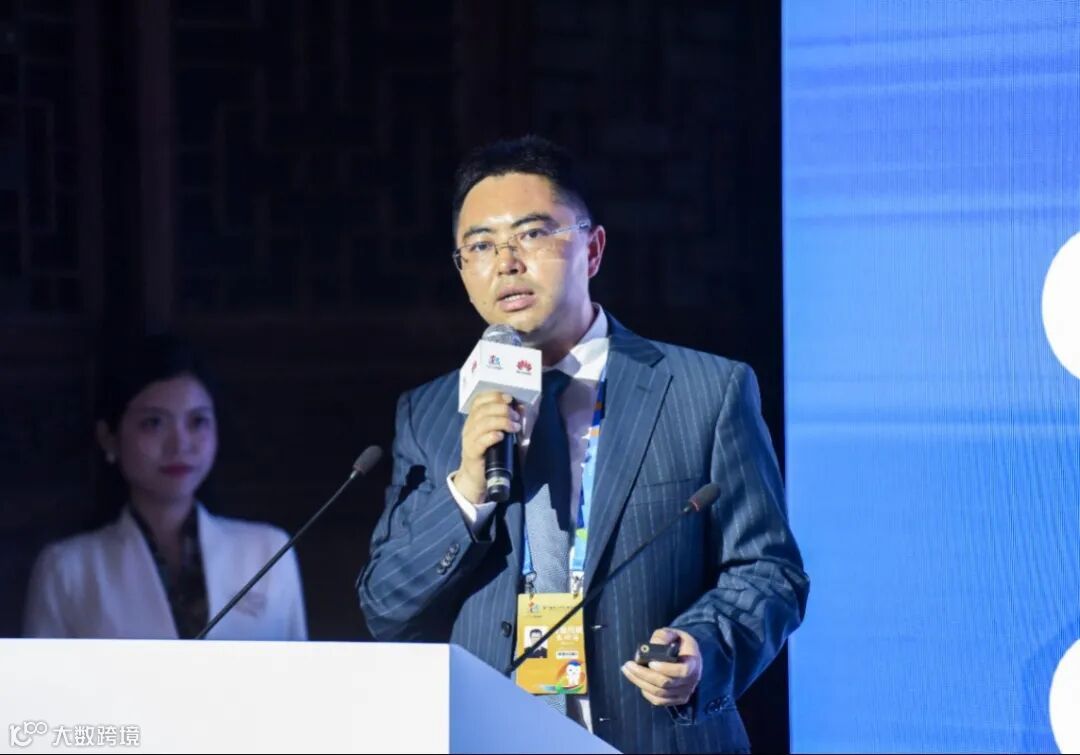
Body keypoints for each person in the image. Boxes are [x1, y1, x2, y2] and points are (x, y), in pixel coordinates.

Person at [357, 135, 808, 753]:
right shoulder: (430, 414)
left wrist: (704, 647)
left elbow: (768, 571)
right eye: (481, 246)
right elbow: (385, 608)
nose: (506, 262)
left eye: (532, 234)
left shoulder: (705, 390)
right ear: (462, 270)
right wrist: (466, 492)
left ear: (592, 250)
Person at [23, 333, 307, 641]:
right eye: (154, 423)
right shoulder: (67, 569)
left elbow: (299, 668)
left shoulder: (267, 550)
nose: (180, 445)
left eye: (197, 422)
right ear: (109, 437)